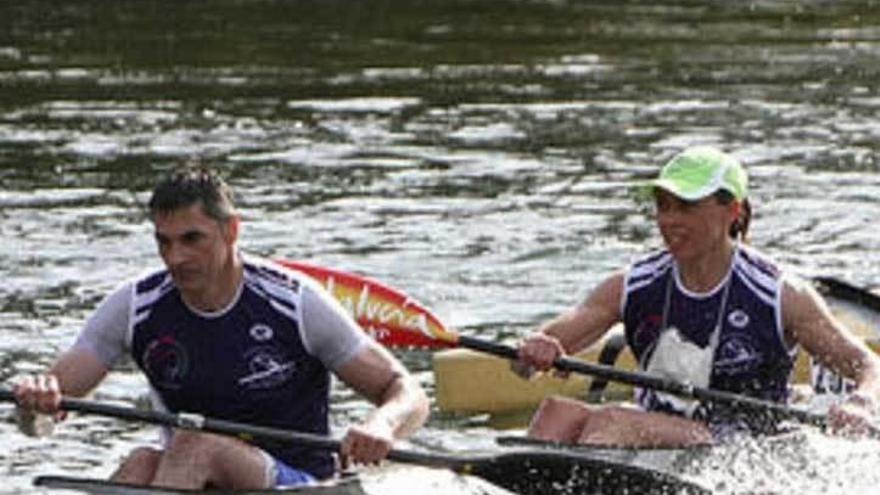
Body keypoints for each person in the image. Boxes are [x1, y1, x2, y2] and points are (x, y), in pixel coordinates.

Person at [12, 166, 430, 489]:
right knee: (141, 463)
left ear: (231, 231)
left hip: (300, 482)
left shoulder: (295, 302)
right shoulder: (135, 306)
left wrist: (382, 425)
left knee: (196, 444)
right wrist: (32, 408)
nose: (175, 258)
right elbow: (41, 426)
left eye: (192, 239)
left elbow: (407, 391)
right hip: (194, 479)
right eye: (164, 242)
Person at [515, 146, 880, 447]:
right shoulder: (633, 284)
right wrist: (535, 350)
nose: (668, 220)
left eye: (685, 207)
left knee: (612, 421)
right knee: (555, 413)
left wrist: (862, 402)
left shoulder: (781, 295)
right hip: (657, 431)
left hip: (741, 448)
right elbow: (524, 365)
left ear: (731, 211)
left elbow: (868, 367)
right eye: (663, 206)